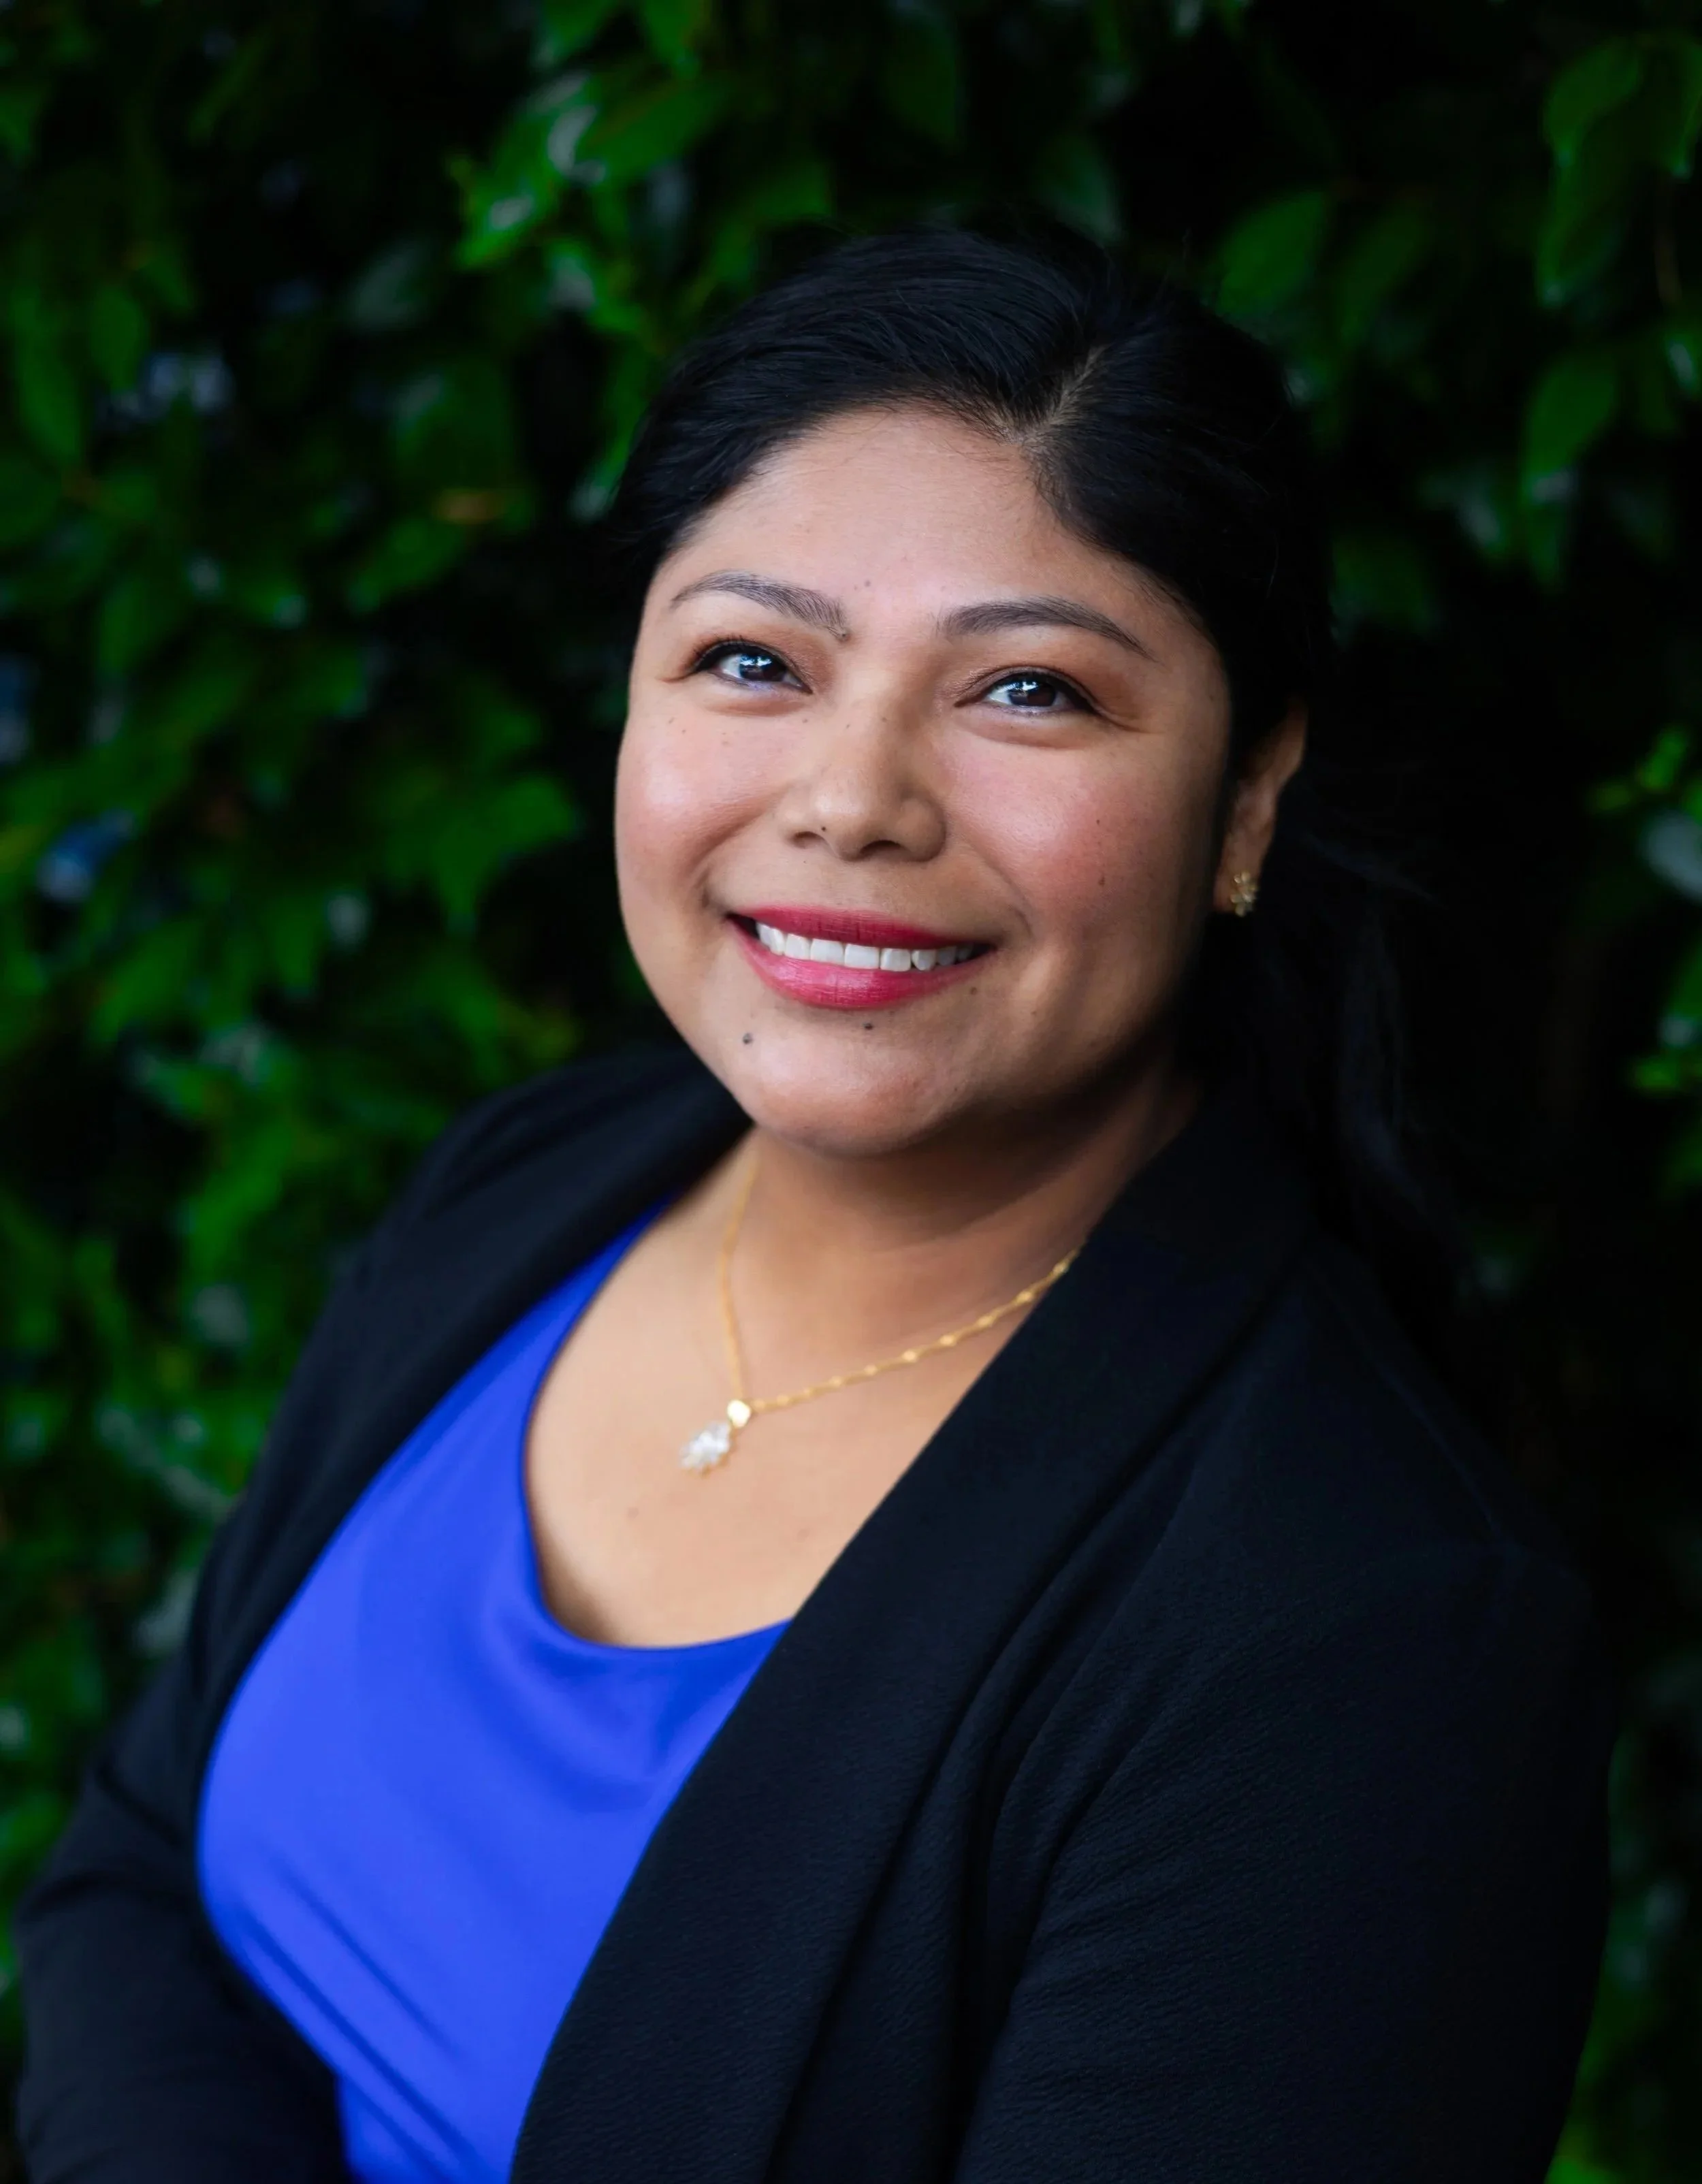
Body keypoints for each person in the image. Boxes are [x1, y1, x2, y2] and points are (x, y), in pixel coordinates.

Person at [15, 228, 1613, 2184]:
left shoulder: (1360, 1644)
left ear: (1247, 803)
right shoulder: (528, 1186)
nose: (854, 799)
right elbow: (133, 1882)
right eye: (752, 661)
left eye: (1027, 690)